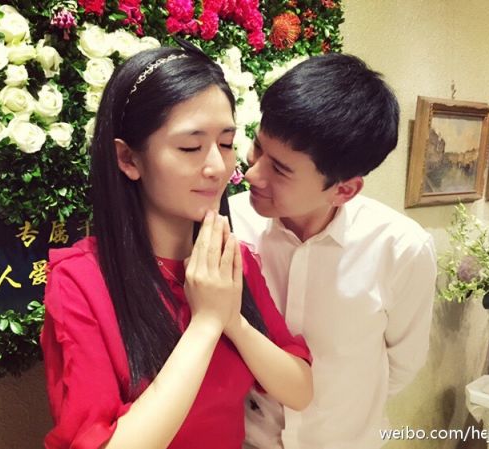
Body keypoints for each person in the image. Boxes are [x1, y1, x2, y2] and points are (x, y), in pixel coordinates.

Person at [40, 42, 313, 449]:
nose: (218, 167)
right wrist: (206, 324)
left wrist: (232, 320)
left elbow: (300, 390)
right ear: (128, 159)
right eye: (190, 147)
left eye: (226, 143)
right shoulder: (81, 280)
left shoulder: (230, 261)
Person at [229, 53, 437, 449]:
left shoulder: (400, 249)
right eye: (257, 147)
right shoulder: (231, 223)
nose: (252, 173)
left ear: (344, 190)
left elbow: (402, 364)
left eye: (280, 169)